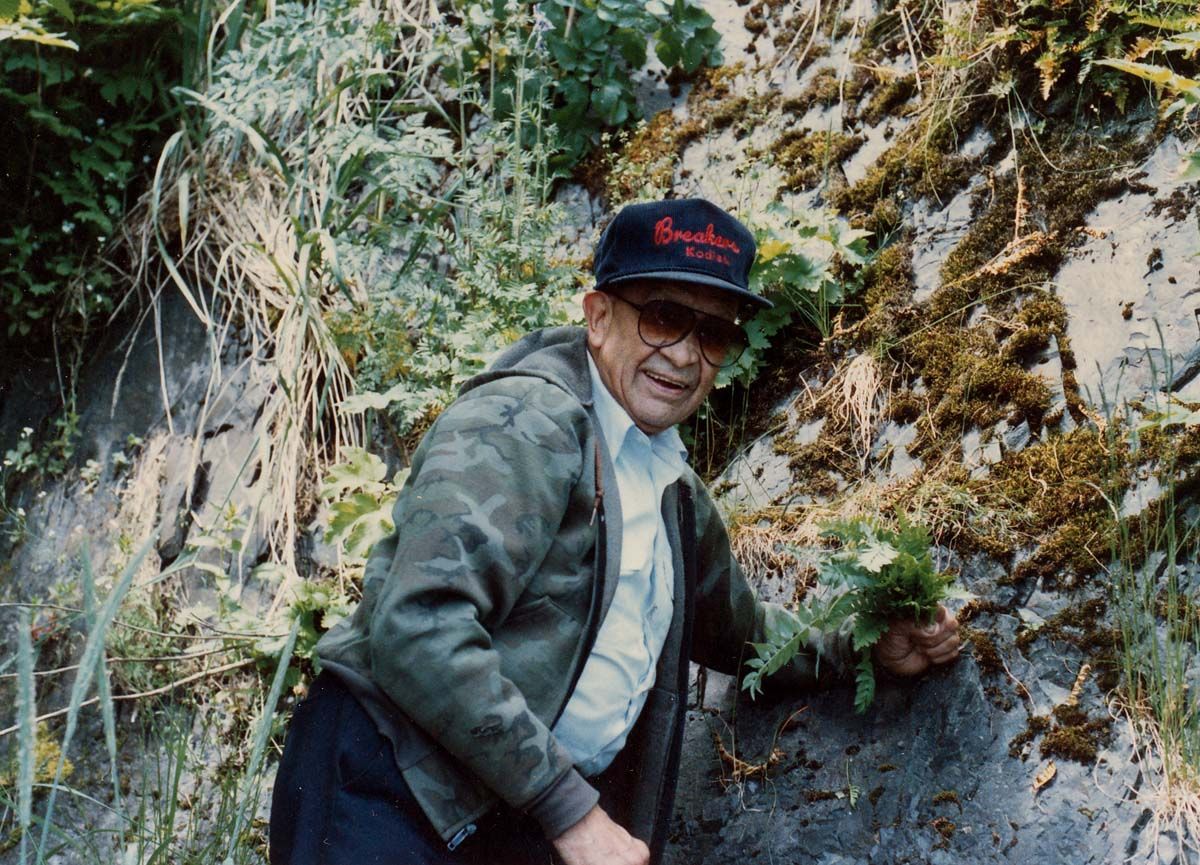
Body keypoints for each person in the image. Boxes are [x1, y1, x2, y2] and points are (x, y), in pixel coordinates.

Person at [268, 199, 961, 865]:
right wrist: (569, 808)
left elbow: (741, 633)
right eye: (664, 318)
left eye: (713, 334)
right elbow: (419, 624)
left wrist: (860, 647)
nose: (686, 356)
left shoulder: (671, 490)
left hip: (502, 816)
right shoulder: (526, 423)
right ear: (598, 316)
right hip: (389, 781)